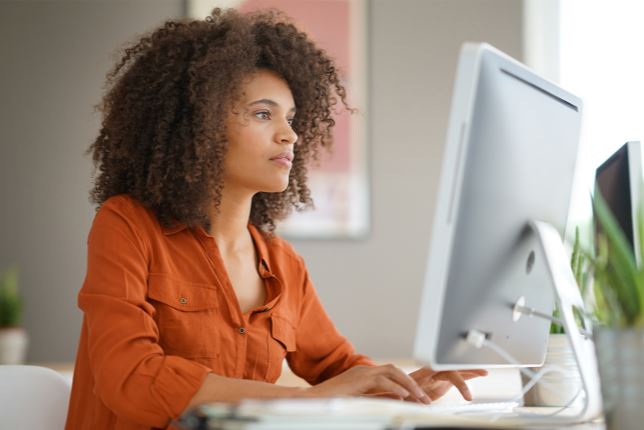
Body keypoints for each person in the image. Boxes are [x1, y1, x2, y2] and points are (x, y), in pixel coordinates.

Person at [65, 7, 487, 430]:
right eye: (263, 114)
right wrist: (310, 399)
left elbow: (340, 371)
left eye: (291, 118)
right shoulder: (127, 224)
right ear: (200, 125)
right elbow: (130, 378)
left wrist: (406, 389)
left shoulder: (284, 265)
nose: (290, 134)